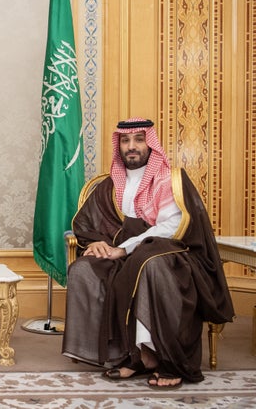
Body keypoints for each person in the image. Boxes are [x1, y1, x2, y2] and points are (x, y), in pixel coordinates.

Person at [61, 117, 234, 389]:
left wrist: (124, 249)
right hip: (124, 256)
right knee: (83, 268)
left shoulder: (170, 179)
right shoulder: (109, 186)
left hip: (172, 255)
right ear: (119, 146)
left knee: (149, 263)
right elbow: (86, 225)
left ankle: (160, 358)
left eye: (139, 140)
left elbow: (173, 227)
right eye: (126, 141)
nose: (132, 147)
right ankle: (126, 355)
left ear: (150, 144)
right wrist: (96, 243)